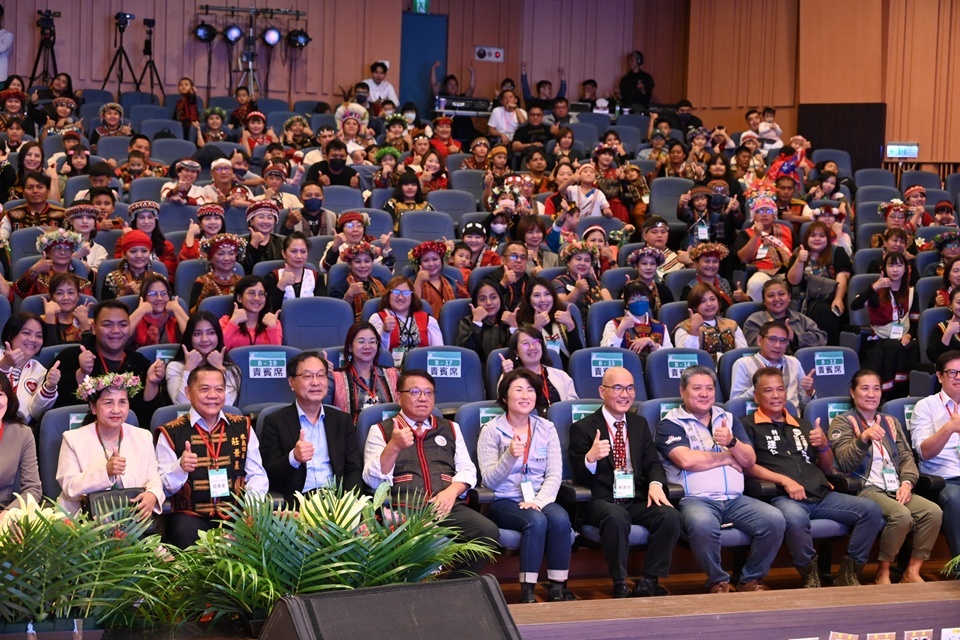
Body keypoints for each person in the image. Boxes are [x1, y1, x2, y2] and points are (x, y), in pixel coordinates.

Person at [741, 367, 883, 587]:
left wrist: (825, 446)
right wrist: (785, 481)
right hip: (783, 497)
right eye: (768, 391)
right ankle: (809, 573)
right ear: (756, 396)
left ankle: (849, 572)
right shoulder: (746, 425)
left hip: (820, 493)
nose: (776, 395)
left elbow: (826, 468)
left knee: (871, 510)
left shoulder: (803, 424)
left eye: (780, 389)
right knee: (795, 519)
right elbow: (748, 466)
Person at [657, 366, 786, 592]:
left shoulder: (727, 418)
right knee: (702, 523)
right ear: (683, 391)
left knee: (774, 519)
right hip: (695, 499)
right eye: (697, 388)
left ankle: (750, 580)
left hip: (736, 499)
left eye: (709, 388)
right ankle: (718, 581)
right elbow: (686, 460)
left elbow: (749, 459)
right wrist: (726, 457)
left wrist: (733, 443)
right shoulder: (671, 423)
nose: (704, 394)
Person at [362, 368, 500, 578]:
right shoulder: (381, 430)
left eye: (429, 393)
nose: (423, 398)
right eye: (415, 392)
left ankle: (453, 586)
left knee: (487, 532)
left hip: (447, 506)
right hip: (404, 510)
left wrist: (451, 493)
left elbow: (467, 470)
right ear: (400, 397)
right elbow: (372, 479)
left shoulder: (450, 427)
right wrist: (394, 446)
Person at [569, 367, 682, 598]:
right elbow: (579, 477)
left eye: (630, 388)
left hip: (634, 497)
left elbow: (653, 464)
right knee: (616, 516)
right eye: (617, 388)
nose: (625, 394)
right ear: (602, 391)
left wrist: (655, 484)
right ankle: (620, 582)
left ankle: (650, 580)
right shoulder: (583, 428)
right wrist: (590, 458)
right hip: (601, 500)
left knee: (669, 515)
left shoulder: (638, 424)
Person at [829, 370, 943, 584]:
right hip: (865, 488)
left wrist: (907, 483)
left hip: (895, 486)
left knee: (933, 512)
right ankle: (883, 571)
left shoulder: (890, 422)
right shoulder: (843, 422)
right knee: (901, 515)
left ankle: (911, 571)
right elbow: (845, 462)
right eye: (865, 388)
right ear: (852, 392)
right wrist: (863, 438)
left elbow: (907, 456)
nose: (871, 394)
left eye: (876, 388)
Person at [478, 369, 574, 603]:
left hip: (539, 498)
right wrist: (509, 455)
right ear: (504, 397)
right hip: (503, 500)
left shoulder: (546, 428)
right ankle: (528, 591)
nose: (525, 395)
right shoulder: (491, 430)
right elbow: (489, 481)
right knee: (536, 520)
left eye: (530, 390)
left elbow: (554, 474)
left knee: (560, 519)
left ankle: (558, 588)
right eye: (518, 390)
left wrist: (538, 501)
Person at [156, 365, 269, 548]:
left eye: (219, 389)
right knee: (182, 532)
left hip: (236, 513)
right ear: (188, 392)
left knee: (256, 537)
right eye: (204, 389)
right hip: (191, 516)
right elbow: (164, 487)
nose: (213, 395)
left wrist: (250, 510)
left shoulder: (242, 427)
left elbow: (256, 474)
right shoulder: (170, 432)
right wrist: (180, 467)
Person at [56, 372, 163, 520]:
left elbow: (153, 477)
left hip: (133, 520)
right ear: (93, 407)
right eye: (108, 403)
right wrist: (105, 472)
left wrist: (153, 493)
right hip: (84, 525)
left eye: (122, 402)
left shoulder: (143, 437)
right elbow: (70, 487)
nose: (116, 410)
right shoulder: (73, 439)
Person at [260, 351, 362, 504]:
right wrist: (293, 458)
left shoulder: (342, 420)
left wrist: (349, 503)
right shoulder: (275, 422)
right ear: (291, 382)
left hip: (337, 501)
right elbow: (269, 473)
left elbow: (353, 468)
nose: (316, 382)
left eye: (321, 375)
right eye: (307, 376)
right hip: (298, 504)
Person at [51, 300, 168, 427]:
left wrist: (152, 383)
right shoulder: (71, 357)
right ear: (94, 328)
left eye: (123, 325)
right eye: (107, 325)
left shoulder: (140, 364)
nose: (116, 330)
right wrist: (81, 373)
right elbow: (53, 407)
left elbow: (146, 421)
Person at [910, 351, 960, 559]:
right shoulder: (926, 406)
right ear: (940, 376)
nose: (958, 377)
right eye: (953, 372)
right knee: (955, 498)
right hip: (942, 481)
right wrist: (948, 428)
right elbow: (924, 452)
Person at [850, 252, 918, 400]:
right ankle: (886, 394)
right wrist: (874, 287)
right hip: (881, 340)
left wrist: (909, 335)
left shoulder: (911, 292)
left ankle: (903, 393)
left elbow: (915, 321)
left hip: (903, 338)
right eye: (891, 265)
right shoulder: (877, 291)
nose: (895, 269)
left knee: (912, 347)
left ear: (905, 269)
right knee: (893, 346)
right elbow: (855, 305)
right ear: (884, 268)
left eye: (899, 265)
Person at [785, 220, 851, 345]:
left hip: (831, 298)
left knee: (827, 311)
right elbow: (793, 281)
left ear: (828, 238)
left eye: (822, 236)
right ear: (806, 238)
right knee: (817, 309)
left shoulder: (837, 252)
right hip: (805, 300)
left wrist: (838, 299)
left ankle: (828, 348)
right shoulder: (798, 252)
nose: (817, 239)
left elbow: (842, 277)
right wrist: (799, 261)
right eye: (813, 235)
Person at [731, 320, 815, 410]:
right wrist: (759, 385)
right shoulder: (744, 364)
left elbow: (804, 406)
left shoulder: (794, 362)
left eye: (783, 341)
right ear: (760, 340)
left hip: (793, 419)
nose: (778, 345)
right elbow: (735, 405)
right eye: (772, 339)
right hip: (758, 420)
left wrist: (808, 393)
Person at [328, 321, 399, 424]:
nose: (367, 346)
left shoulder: (392, 374)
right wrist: (319, 373)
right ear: (350, 347)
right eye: (361, 341)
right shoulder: (334, 378)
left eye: (372, 341)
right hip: (350, 437)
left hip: (388, 436)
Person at [166, 311, 240, 407]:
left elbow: (227, 407)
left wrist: (220, 370)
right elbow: (182, 406)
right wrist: (188, 369)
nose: (204, 339)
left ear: (218, 336)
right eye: (197, 334)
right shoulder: (175, 367)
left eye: (211, 333)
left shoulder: (232, 370)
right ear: (190, 337)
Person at [499, 327, 577, 415]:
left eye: (535, 342)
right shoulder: (509, 377)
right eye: (525, 344)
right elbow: (504, 406)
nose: (532, 347)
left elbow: (573, 408)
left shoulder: (561, 376)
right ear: (516, 352)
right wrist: (508, 377)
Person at [368, 276, 443, 366]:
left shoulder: (428, 320)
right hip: (390, 371)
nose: (400, 297)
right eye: (396, 292)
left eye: (406, 293)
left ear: (412, 296)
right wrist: (385, 332)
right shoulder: (377, 318)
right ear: (388, 295)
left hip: (421, 371)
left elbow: (439, 354)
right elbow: (375, 355)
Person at [743, 279, 827, 352]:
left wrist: (794, 337)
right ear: (764, 301)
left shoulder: (801, 319)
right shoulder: (754, 321)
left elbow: (822, 339)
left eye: (781, 294)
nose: (777, 299)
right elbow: (756, 349)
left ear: (789, 297)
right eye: (771, 295)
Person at [0, 374, 41, 520]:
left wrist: (8, 514)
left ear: (8, 399)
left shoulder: (22, 434)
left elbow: (32, 488)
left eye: (0, 394)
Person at [515, 277, 582, 366]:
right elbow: (526, 359)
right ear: (528, 299)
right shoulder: (522, 322)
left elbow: (578, 355)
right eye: (537, 295)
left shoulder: (564, 316)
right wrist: (536, 329)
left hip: (568, 372)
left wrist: (570, 326)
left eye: (547, 294)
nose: (543, 300)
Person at [674, 283, 747, 360]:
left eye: (712, 299)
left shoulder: (731, 325)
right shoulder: (683, 328)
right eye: (703, 301)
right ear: (695, 307)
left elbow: (743, 355)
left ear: (718, 302)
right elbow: (685, 359)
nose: (709, 304)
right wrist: (693, 331)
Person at [14, 228, 88, 299]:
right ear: (47, 253)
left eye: (67, 248)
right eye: (58, 248)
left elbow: (87, 304)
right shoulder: (39, 279)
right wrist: (35, 269)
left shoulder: (82, 283)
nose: (63, 252)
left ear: (72, 252)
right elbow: (19, 291)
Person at [601, 280, 673, 353]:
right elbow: (605, 354)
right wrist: (621, 328)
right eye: (634, 298)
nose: (639, 301)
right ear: (626, 303)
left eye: (644, 297)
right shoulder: (614, 324)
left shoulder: (661, 327)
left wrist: (653, 344)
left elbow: (670, 356)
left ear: (649, 300)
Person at [219, 275, 282, 353]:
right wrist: (233, 323)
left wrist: (272, 328)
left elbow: (277, 356)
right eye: (251, 293)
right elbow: (220, 350)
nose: (257, 298)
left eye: (261, 294)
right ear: (239, 298)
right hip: (233, 365)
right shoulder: (226, 321)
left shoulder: (273, 322)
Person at [458, 280, 514, 366]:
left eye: (493, 297)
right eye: (482, 299)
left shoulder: (508, 321)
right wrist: (476, 323)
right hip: (477, 372)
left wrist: (514, 327)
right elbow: (464, 356)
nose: (489, 303)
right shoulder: (467, 322)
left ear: (500, 299)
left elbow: (518, 353)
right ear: (476, 302)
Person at [188, 233, 246, 314]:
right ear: (210, 258)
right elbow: (192, 314)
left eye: (231, 253)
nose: (227, 258)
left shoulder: (241, 282)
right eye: (221, 254)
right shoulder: (202, 282)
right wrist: (202, 299)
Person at [553, 241, 611, 322]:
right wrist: (577, 291)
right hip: (574, 326)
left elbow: (610, 306)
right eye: (578, 259)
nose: (583, 263)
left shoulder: (595, 282)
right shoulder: (559, 282)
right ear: (568, 262)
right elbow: (561, 308)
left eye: (587, 260)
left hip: (599, 325)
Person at [128, 273, 188, 350]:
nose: (159, 298)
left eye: (163, 293)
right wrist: (140, 311)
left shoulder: (174, 322)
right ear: (144, 297)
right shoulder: (136, 322)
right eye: (153, 294)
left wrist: (178, 309)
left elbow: (193, 339)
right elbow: (121, 337)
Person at [263, 232, 321, 310]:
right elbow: (268, 309)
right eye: (294, 251)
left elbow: (322, 307)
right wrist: (281, 285)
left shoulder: (316, 277)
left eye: (303, 251)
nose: (299, 256)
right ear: (284, 254)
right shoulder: (272, 277)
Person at [410, 240, 467, 315]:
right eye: (426, 260)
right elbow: (412, 309)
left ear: (442, 261)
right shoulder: (410, 283)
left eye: (435, 259)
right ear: (419, 264)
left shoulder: (453, 283)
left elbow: (466, 305)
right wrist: (418, 282)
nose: (431, 264)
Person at [625, 246, 674, 316]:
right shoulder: (627, 289)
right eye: (644, 263)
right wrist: (627, 293)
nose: (649, 267)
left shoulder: (664, 291)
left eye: (653, 264)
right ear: (636, 266)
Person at [928, 287, 960, 362]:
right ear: (950, 304)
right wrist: (948, 333)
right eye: (959, 302)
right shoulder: (941, 328)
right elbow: (934, 358)